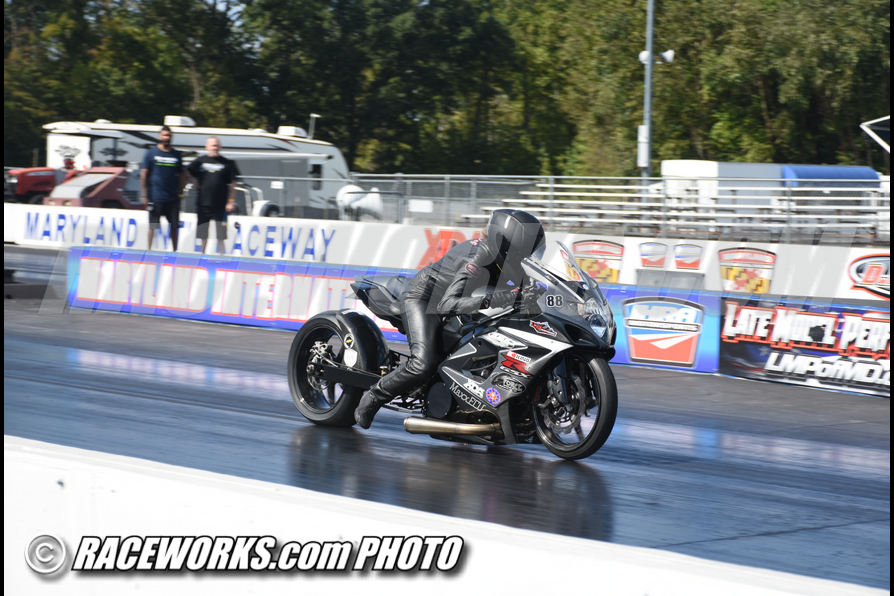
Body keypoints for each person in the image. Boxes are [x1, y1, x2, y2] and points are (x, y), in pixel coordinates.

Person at [354, 209, 546, 429]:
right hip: (426, 299)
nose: (526, 258)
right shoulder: (477, 259)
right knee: (423, 364)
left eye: (530, 253)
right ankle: (373, 397)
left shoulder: (512, 263)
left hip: (461, 304)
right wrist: (504, 297)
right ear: (504, 245)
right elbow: (447, 304)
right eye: (522, 252)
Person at [187, 136, 240, 254]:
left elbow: (233, 184)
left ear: (220, 146)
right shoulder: (200, 161)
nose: (214, 147)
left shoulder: (227, 163)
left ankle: (222, 255)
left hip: (221, 205)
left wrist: (231, 201)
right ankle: (203, 255)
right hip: (203, 203)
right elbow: (187, 170)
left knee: (221, 234)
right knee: (202, 233)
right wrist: (193, 181)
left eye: (216, 145)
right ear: (207, 146)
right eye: (212, 145)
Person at [141, 125, 187, 251]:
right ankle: (149, 250)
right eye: (164, 135)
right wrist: (144, 195)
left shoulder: (176, 154)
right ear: (159, 136)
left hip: (172, 198)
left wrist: (180, 192)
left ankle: (175, 252)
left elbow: (182, 175)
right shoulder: (151, 153)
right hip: (156, 197)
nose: (166, 138)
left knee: (174, 227)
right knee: (153, 226)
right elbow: (143, 175)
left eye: (169, 135)